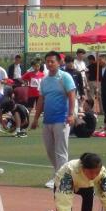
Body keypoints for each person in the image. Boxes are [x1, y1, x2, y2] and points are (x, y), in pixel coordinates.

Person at [31, 51, 77, 189]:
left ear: (58, 62)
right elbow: (41, 100)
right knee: (50, 150)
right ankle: (60, 174)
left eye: (52, 61)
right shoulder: (44, 80)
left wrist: (71, 114)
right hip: (48, 120)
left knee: (60, 150)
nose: (50, 64)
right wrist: (35, 119)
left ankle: (61, 179)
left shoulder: (65, 77)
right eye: (48, 61)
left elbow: (72, 95)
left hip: (61, 118)